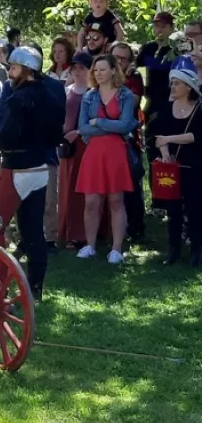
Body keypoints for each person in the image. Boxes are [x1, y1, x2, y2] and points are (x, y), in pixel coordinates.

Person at [0, 47, 65, 300]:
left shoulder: (18, 99)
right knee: (33, 232)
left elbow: (8, 137)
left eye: (13, 68)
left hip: (16, 170)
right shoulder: (53, 97)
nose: (10, 73)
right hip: (40, 170)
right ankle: (35, 290)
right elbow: (55, 137)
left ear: (26, 70)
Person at [75, 54, 138, 264]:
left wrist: (98, 122)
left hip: (115, 153)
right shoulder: (89, 96)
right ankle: (90, 245)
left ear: (113, 71)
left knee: (116, 200)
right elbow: (83, 128)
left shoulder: (125, 95)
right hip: (93, 152)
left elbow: (126, 125)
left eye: (103, 69)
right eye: (96, 70)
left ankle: (117, 249)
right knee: (91, 201)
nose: (98, 73)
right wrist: (108, 127)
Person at [148, 69, 202, 266]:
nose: (173, 86)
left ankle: (196, 249)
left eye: (177, 83)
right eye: (172, 83)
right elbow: (157, 136)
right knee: (174, 210)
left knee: (195, 208)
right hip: (173, 167)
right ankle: (173, 249)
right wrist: (165, 154)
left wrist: (169, 139)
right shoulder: (165, 109)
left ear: (188, 87)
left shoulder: (199, 109)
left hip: (195, 166)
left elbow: (195, 136)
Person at [58, 52, 93, 250]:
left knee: (86, 190)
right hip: (68, 147)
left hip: (87, 145)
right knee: (67, 189)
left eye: (82, 68)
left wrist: (78, 132)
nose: (78, 72)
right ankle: (70, 232)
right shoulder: (66, 90)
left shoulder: (95, 93)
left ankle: (87, 233)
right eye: (75, 68)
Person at [112, 41, 147, 242]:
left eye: (123, 58)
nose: (118, 61)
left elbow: (130, 102)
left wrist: (119, 81)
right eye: (115, 57)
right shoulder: (102, 72)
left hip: (128, 139)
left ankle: (136, 229)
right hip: (105, 137)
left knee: (132, 184)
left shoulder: (134, 77)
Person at [137, 12, 175, 154]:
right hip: (150, 103)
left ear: (171, 28)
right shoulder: (148, 49)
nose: (159, 30)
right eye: (156, 26)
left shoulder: (176, 50)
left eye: (163, 26)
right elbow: (135, 67)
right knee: (152, 146)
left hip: (171, 102)